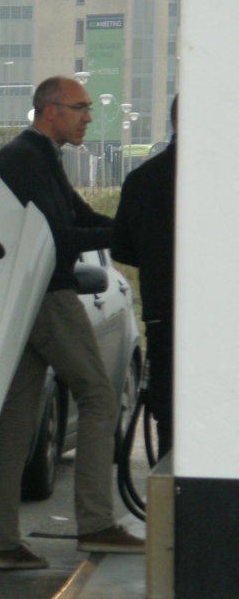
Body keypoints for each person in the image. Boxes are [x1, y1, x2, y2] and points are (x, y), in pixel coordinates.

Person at [0, 75, 145, 570]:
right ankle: (95, 523)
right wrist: (130, 237)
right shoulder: (24, 158)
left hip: (25, 297)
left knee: (15, 420)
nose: (88, 118)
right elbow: (56, 234)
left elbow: (82, 215)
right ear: (50, 110)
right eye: (81, 108)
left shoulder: (39, 156)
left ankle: (1, 543)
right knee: (98, 394)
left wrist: (133, 232)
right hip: (46, 294)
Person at [111, 95, 177, 457]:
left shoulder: (142, 179)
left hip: (163, 315)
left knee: (169, 423)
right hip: (223, 324)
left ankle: (172, 505)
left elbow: (122, 249)